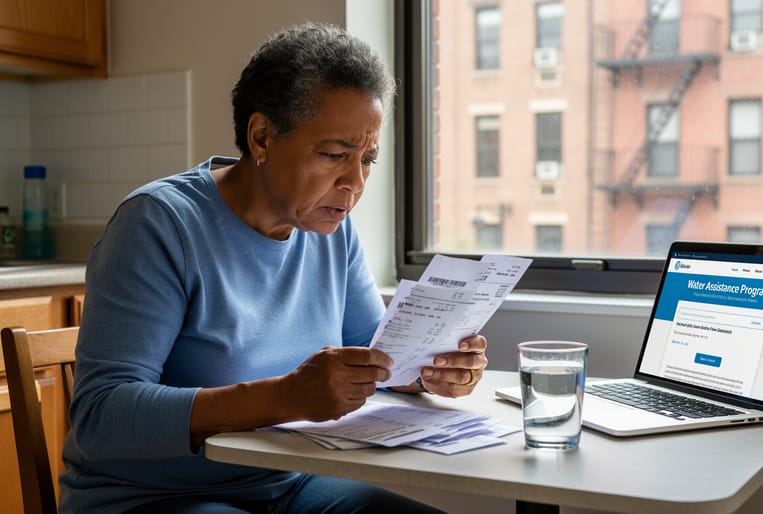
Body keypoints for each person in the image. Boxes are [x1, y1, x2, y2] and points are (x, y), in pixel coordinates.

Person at [59, 23, 488, 514]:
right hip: (153, 498)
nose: (355, 183)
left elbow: (376, 359)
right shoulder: (159, 224)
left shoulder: (330, 228)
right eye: (333, 155)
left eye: (367, 159)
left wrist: (431, 368)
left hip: (291, 484)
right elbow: (100, 417)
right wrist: (286, 397)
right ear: (262, 137)